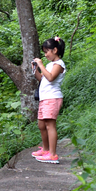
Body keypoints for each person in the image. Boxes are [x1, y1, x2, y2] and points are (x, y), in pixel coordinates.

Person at [32, 36, 66, 164]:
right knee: (41, 125)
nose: (45, 55)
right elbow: (42, 78)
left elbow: (51, 77)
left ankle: (52, 155)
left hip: (52, 98)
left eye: (47, 51)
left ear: (55, 50)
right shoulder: (50, 64)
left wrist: (41, 65)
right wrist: (35, 69)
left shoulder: (59, 64)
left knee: (50, 125)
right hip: (44, 98)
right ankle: (45, 150)